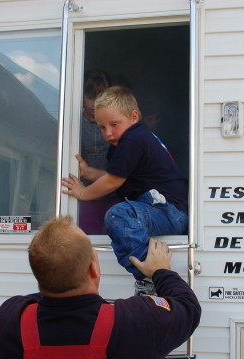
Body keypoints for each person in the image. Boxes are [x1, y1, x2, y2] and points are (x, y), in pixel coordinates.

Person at [0, 216, 201, 359]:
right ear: (94, 269)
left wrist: (54, 272)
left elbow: (45, 295)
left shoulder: (10, 318)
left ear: (38, 275)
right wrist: (160, 271)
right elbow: (187, 305)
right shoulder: (133, 323)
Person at [62, 86, 188, 295]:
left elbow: (112, 182)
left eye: (114, 124)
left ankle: (150, 275)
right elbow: (117, 175)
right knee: (122, 212)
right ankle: (149, 271)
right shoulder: (131, 139)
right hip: (164, 209)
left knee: (118, 214)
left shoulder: (134, 138)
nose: (108, 133)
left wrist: (83, 193)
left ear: (134, 117)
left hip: (168, 210)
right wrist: (90, 172)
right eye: (101, 127)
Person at [78, 69, 118, 235]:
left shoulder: (116, 124)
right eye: (90, 97)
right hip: (86, 196)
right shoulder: (76, 123)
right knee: (87, 237)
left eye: (100, 98)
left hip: (114, 194)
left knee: (114, 235)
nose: (95, 104)